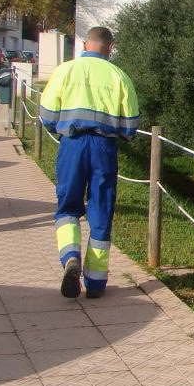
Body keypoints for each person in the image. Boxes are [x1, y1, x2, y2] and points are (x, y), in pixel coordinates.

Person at [39, 26, 139, 299]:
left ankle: (71, 258)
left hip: (72, 145)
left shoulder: (65, 70)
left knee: (68, 207)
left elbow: (46, 114)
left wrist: (61, 129)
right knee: (101, 210)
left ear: (85, 44)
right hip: (103, 149)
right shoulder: (119, 76)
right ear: (111, 47)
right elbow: (130, 126)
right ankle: (95, 282)